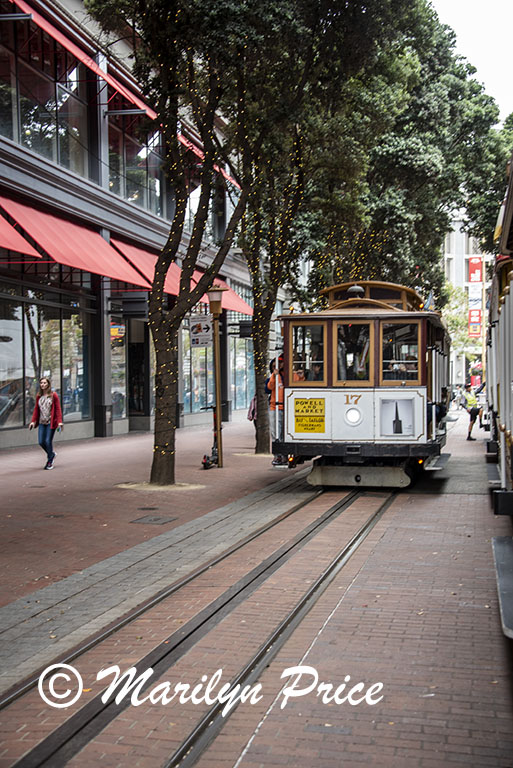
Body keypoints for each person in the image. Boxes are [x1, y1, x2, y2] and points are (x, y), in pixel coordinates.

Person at [29, 377, 63, 469]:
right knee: (41, 442)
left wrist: (60, 422)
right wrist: (33, 421)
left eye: (44, 383)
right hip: (41, 422)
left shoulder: (53, 395)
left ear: (48, 384)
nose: (43, 385)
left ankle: (49, 461)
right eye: (41, 383)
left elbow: (58, 409)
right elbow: (36, 409)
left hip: (50, 422)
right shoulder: (39, 396)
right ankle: (51, 454)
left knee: (48, 441)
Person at [268, 356, 285, 465]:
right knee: (275, 432)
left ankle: (283, 454)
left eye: (279, 363)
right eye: (275, 365)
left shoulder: (287, 375)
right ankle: (277, 455)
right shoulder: (274, 376)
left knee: (283, 433)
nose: (277, 366)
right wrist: (274, 375)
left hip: (285, 407)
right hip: (275, 407)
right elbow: (270, 387)